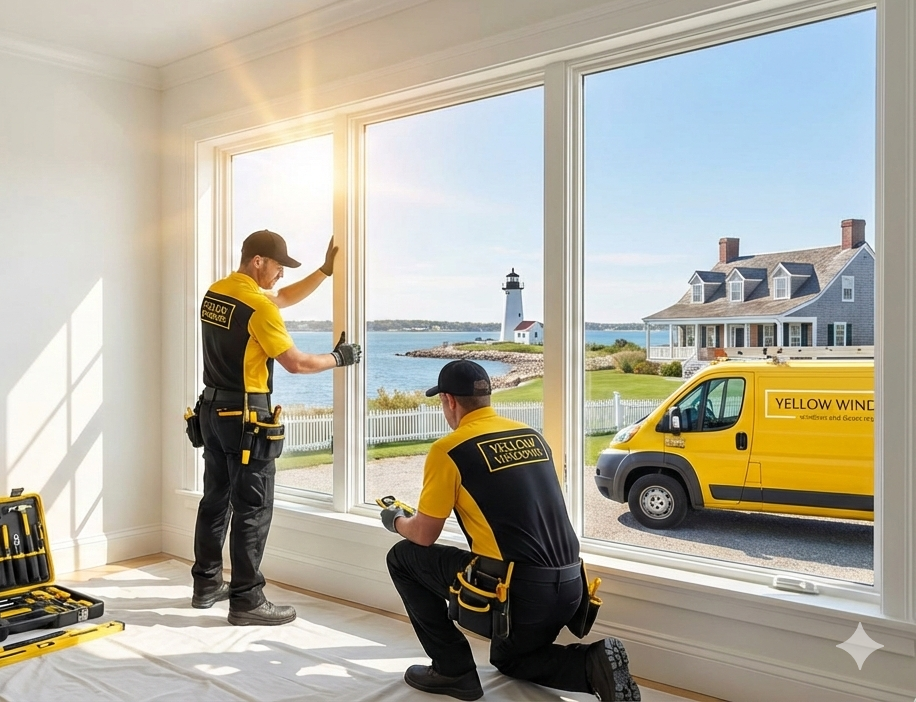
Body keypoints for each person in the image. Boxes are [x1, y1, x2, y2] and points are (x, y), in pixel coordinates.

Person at [379, 360, 640, 701]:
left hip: (518, 595)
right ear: (487, 397)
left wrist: (395, 519)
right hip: (572, 589)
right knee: (510, 659)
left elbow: (425, 535)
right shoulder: (532, 436)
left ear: (449, 400)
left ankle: (451, 670)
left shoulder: (449, 449)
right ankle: (594, 663)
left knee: (402, 557)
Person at [190, 229, 362, 625]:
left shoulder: (217, 293)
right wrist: (339, 357)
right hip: (247, 418)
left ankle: (206, 584)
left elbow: (280, 298)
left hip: (212, 412)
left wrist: (324, 272)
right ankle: (247, 600)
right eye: (279, 267)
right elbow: (296, 363)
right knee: (253, 507)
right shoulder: (258, 307)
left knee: (215, 501)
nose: (281, 275)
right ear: (258, 262)